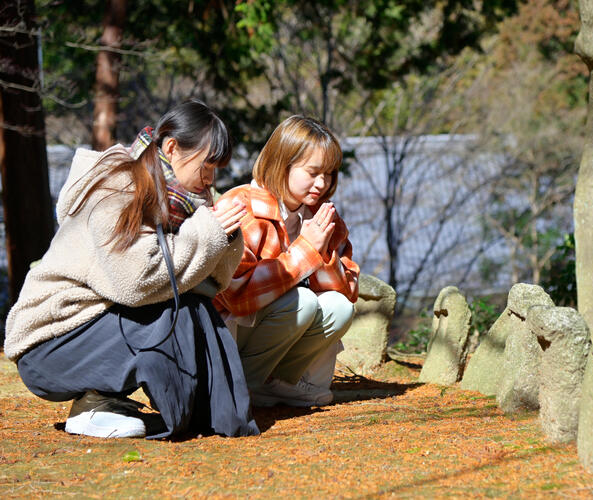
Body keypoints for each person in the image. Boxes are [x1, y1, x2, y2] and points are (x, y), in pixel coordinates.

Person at [4, 99, 259, 439]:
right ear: (172, 147)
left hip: (89, 330)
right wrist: (208, 232)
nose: (211, 179)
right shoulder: (118, 185)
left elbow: (213, 282)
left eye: (217, 170)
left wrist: (223, 233)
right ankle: (96, 408)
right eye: (207, 167)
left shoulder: (184, 200)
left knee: (191, 307)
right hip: (49, 343)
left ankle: (107, 403)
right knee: (171, 314)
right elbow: (136, 281)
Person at [213, 115, 359, 407]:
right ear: (282, 164)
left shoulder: (321, 215)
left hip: (269, 330)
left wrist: (323, 252)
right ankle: (240, 387)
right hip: (226, 335)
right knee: (302, 301)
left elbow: (348, 291)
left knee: (339, 308)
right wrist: (306, 251)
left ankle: (279, 384)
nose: (322, 183)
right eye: (312, 172)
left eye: (329, 173)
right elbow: (235, 296)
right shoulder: (243, 206)